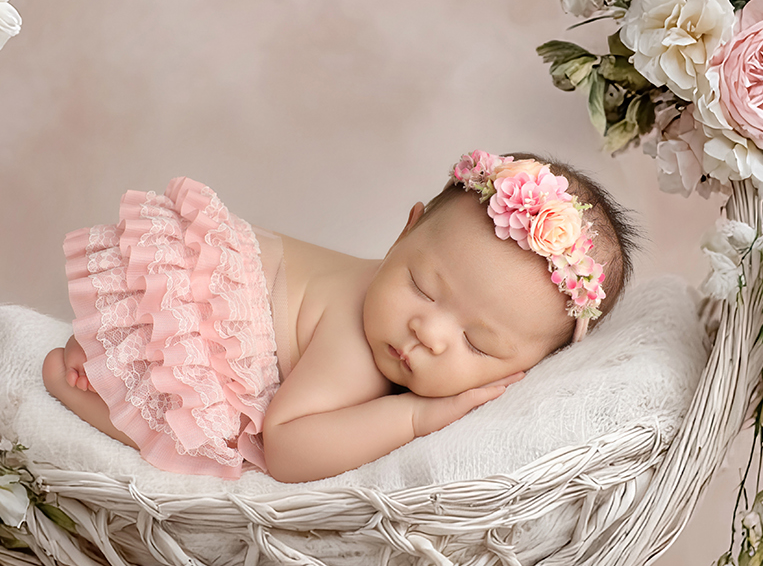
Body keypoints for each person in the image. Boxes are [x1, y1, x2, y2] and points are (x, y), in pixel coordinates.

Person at [42, 150, 638, 483]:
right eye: (421, 287)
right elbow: (288, 448)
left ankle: (105, 356)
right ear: (405, 230)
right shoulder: (358, 340)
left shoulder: (402, 323)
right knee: (204, 452)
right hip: (190, 314)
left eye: (478, 345)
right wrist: (413, 418)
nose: (427, 332)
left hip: (209, 281)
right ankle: (92, 374)